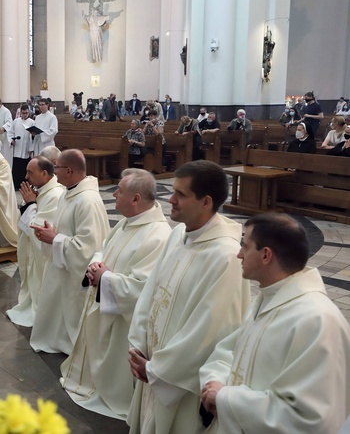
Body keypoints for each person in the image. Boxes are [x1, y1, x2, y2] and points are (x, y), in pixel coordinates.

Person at [127, 160, 250, 434]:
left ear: (206, 202)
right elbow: (151, 291)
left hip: (179, 383)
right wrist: (138, 343)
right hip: (150, 363)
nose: (170, 199)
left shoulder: (226, 257)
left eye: (180, 194)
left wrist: (157, 370)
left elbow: (208, 333)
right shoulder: (179, 234)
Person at [200, 213, 350, 433]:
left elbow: (309, 418)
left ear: (266, 255)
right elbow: (231, 352)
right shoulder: (268, 298)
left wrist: (226, 398)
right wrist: (214, 382)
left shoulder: (317, 320)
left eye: (245, 246)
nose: (239, 254)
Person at [61, 169, 171, 420]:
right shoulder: (126, 222)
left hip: (123, 324)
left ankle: (110, 389)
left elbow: (144, 288)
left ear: (136, 199)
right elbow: (103, 248)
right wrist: (95, 265)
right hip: (104, 302)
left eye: (119, 191)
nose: (114, 194)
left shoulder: (158, 236)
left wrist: (106, 279)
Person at [29, 149, 110, 354]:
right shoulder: (69, 193)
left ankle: (71, 343)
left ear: (70, 170)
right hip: (61, 264)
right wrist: (51, 233)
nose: (54, 172)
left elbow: (88, 248)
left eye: (57, 167)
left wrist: (55, 238)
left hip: (75, 272)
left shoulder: (87, 200)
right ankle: (57, 338)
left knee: (71, 315)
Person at [6, 156, 65, 327]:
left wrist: (31, 204)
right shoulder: (43, 190)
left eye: (30, 173)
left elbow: (39, 230)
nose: (26, 177)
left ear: (45, 173)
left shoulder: (54, 195)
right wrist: (30, 203)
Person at [7, 105, 35, 190]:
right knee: (16, 168)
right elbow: (10, 133)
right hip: (17, 148)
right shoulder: (16, 121)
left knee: (24, 168)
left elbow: (33, 136)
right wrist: (12, 140)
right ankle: (15, 185)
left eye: (26, 113)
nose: (25, 114)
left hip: (26, 148)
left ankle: (24, 186)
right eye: (23, 113)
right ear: (20, 113)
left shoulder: (32, 122)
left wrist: (31, 148)